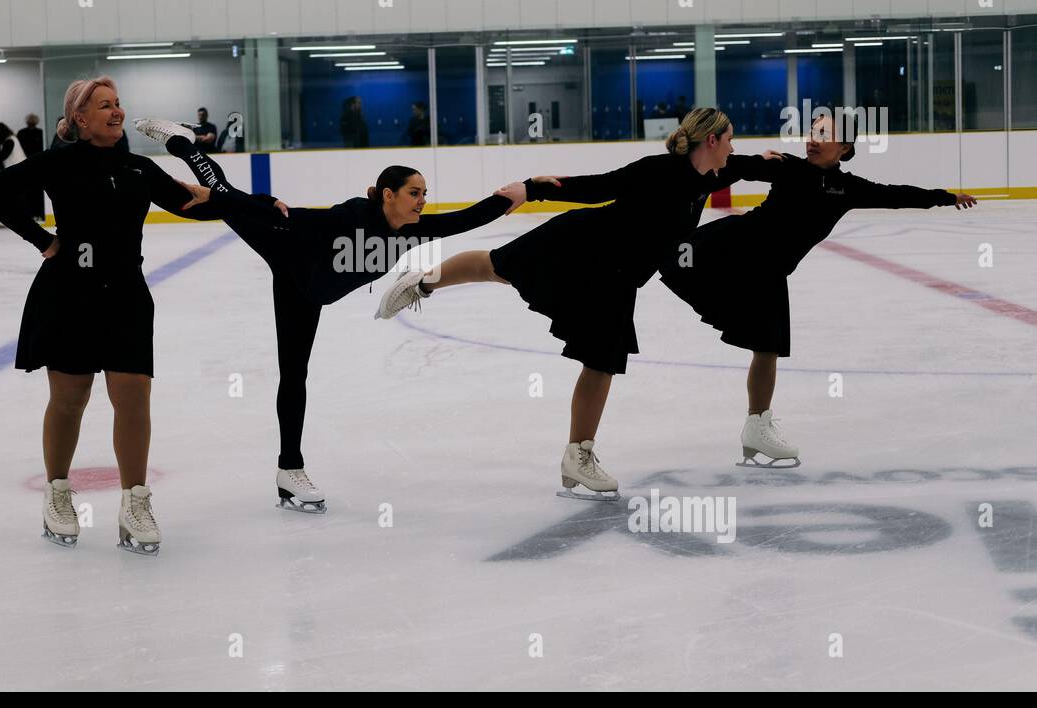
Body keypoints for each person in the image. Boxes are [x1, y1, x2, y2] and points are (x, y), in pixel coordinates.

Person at [375, 108, 778, 499]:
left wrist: (775, 163)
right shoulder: (659, 171)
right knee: (495, 267)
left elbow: (747, 166)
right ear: (711, 140)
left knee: (602, 361)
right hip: (580, 246)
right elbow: (598, 186)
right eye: (729, 140)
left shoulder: (712, 172)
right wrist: (531, 189)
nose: (732, 147)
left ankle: (577, 456)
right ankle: (422, 284)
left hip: (617, 279)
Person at [136, 116, 524, 514]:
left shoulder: (412, 230)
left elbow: (466, 219)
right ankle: (183, 144)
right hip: (283, 247)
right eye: (414, 192)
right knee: (221, 192)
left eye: (424, 192)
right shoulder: (353, 217)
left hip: (309, 293)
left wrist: (518, 194)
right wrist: (239, 203)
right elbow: (294, 218)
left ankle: (288, 472)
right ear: (388, 194)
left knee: (295, 373)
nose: (422, 200)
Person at [0, 78, 266, 554]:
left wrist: (253, 204)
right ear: (80, 119)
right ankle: (57, 492)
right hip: (69, 293)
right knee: (70, 399)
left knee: (133, 397)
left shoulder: (138, 168)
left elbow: (189, 205)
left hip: (127, 295)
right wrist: (44, 241)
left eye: (118, 104)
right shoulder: (56, 163)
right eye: (104, 105)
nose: (116, 111)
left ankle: (135, 502)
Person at [658, 112, 978, 467]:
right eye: (811, 132)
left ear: (844, 147)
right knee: (674, 262)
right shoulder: (788, 168)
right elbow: (735, 167)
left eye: (823, 134)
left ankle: (757, 425)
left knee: (768, 348)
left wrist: (945, 197)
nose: (812, 139)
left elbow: (895, 195)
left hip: (767, 273)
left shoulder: (848, 189)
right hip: (732, 250)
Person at [16, 114, 46, 221]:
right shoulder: (40, 132)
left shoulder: (22, 133)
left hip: (29, 164)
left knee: (31, 191)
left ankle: (33, 213)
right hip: (35, 164)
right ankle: (36, 213)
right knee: (33, 191)